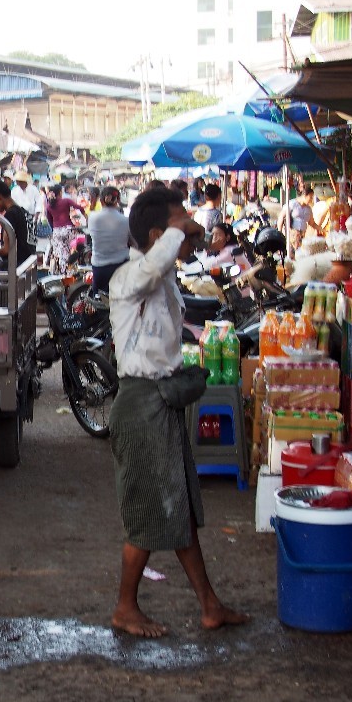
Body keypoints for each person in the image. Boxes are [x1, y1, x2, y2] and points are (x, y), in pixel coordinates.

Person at [107, 185, 248, 637]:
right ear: (156, 234)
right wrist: (176, 232)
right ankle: (125, 608)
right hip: (139, 405)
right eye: (178, 230)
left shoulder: (163, 276)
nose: (188, 239)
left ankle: (209, 604)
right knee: (146, 512)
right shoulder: (128, 278)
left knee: (179, 508)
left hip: (160, 402)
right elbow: (150, 269)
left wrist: (188, 233)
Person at [87, 186, 132, 294]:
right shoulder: (126, 221)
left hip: (99, 267)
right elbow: (132, 242)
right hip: (121, 266)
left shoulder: (93, 217)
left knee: (99, 301)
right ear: (119, 201)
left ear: (101, 201)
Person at [45, 183, 86, 274]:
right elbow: (80, 208)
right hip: (68, 230)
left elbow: (50, 221)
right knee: (74, 249)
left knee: (61, 253)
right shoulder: (66, 201)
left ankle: (63, 272)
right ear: (60, 192)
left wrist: (55, 229)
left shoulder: (48, 206)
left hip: (57, 231)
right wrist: (85, 216)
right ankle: (70, 270)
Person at [277, 185, 321, 251]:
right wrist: (279, 233)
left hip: (302, 235)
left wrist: (321, 229)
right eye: (310, 197)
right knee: (290, 252)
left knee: (299, 253)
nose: (311, 200)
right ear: (305, 196)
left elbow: (312, 223)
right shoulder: (292, 204)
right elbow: (281, 217)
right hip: (292, 234)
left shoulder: (308, 209)